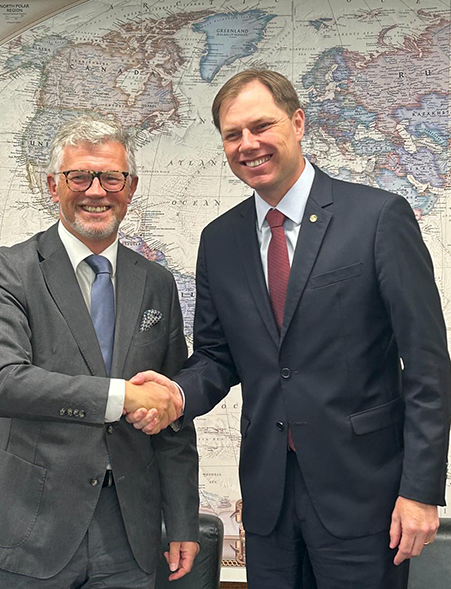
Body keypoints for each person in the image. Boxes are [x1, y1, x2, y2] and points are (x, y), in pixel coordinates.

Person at [127, 69, 451, 588]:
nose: (248, 144)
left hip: (366, 496)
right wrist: (175, 395)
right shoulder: (220, 240)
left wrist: (420, 490)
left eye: (261, 126)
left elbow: (427, 364)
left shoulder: (377, 217)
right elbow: (216, 356)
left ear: (297, 123)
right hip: (269, 500)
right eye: (233, 134)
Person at [0, 114, 199, 589]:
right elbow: (3, 383)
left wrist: (182, 520)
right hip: (27, 526)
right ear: (53, 185)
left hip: (129, 535)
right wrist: (124, 397)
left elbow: (171, 412)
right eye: (79, 177)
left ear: (130, 187)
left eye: (111, 177)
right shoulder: (7, 271)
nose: (96, 191)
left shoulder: (156, 282)